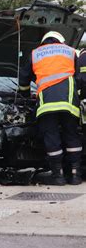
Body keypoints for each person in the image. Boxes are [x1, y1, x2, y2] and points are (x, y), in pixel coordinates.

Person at [19, 31, 82, 185]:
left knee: (51, 136)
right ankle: (75, 175)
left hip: (46, 104)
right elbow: (80, 75)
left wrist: (25, 96)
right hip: (69, 103)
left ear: (43, 41)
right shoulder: (71, 51)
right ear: (61, 40)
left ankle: (58, 175)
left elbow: (23, 80)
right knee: (71, 135)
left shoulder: (35, 54)